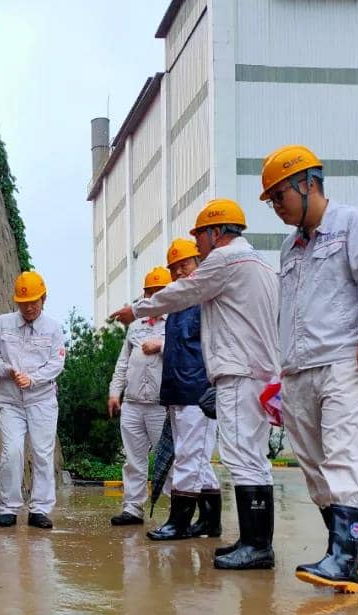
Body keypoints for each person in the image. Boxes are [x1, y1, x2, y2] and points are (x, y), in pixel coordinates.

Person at [112, 200, 280, 570]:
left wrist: (137, 309)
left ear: (216, 232)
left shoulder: (224, 260)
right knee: (251, 456)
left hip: (236, 373)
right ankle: (254, 542)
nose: (198, 246)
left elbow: (183, 292)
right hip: (256, 371)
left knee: (239, 457)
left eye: (199, 237)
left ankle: (254, 545)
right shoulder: (261, 264)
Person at [261, 145, 358, 593]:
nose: (277, 207)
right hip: (298, 369)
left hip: (343, 361)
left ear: (308, 184)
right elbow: (288, 312)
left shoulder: (354, 224)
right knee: (313, 464)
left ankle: (344, 560)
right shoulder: (289, 248)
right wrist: (280, 370)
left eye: (280, 197)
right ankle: (336, 552)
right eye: (271, 201)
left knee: (343, 456)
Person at [112, 238, 220, 542]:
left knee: (187, 457)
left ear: (198, 263)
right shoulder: (176, 308)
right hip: (175, 393)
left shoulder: (205, 301)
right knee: (193, 458)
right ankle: (209, 522)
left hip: (197, 392)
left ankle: (180, 521)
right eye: (175, 268)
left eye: (185, 264)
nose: (180, 272)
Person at [0, 269, 66, 529]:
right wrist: (6, 370)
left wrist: (33, 379)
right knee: (12, 451)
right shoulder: (2, 324)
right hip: (11, 402)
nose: (29, 308)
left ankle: (39, 509)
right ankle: (9, 508)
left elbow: (57, 363)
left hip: (42, 401)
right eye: (23, 303)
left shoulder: (53, 329)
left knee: (42, 454)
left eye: (33, 302)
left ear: (43, 299)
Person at [107, 267, 171, 525]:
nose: (153, 297)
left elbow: (186, 352)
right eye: (150, 293)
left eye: (159, 292)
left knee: (168, 460)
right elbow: (123, 362)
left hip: (160, 405)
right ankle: (132, 508)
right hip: (132, 404)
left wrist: (161, 346)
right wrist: (115, 392)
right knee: (133, 460)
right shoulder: (136, 325)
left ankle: (178, 512)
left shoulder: (175, 321)